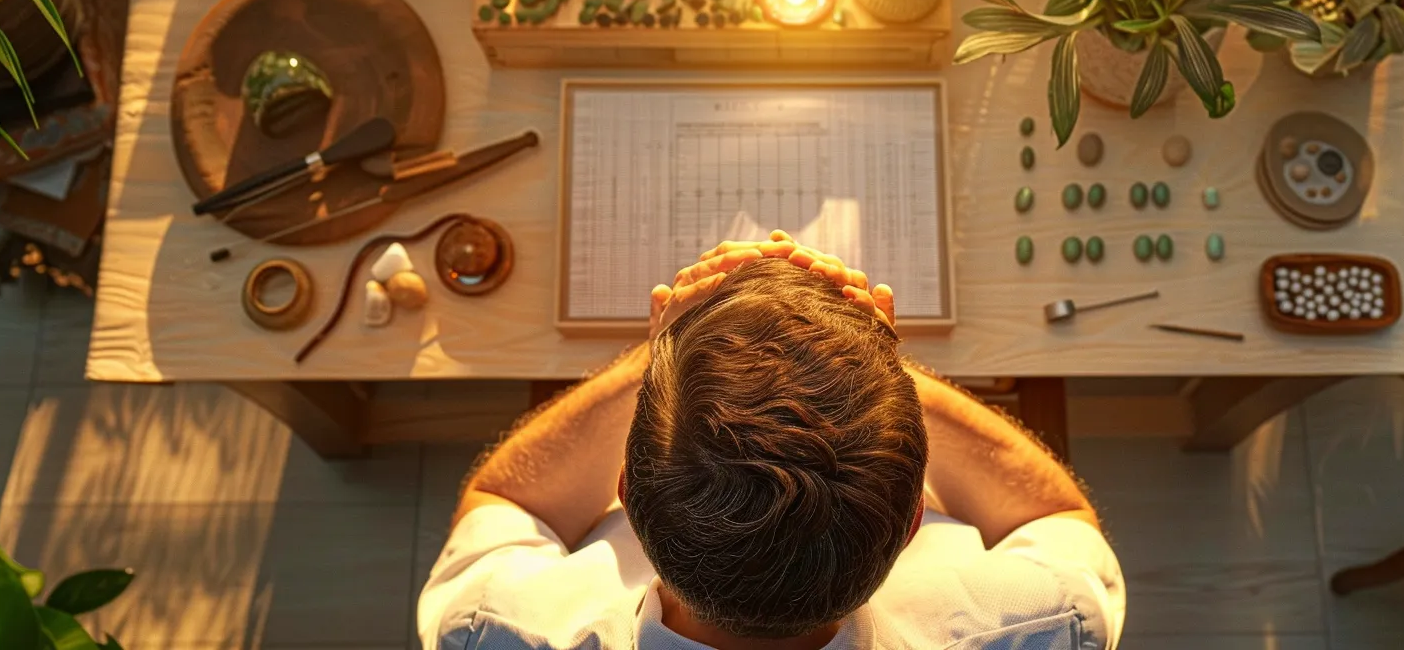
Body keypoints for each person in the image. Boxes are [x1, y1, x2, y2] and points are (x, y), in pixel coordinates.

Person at [418, 231, 1125, 649]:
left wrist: (652, 361)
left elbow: (503, 501)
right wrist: (882, 366)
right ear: (910, 523)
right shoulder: (1042, 625)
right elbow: (1057, 519)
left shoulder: (494, 627)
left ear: (630, 499)